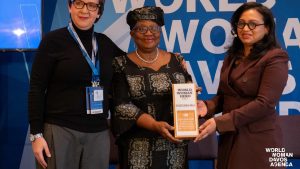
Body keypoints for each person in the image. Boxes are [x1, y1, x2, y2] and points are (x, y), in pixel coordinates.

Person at [28, 0, 125, 168]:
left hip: (98, 133)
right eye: (79, 3)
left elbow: (134, 64)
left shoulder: (105, 44)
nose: (85, 10)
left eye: (92, 5)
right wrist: (36, 135)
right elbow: (36, 89)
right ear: (70, 6)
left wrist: (173, 59)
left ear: (99, 12)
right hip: (60, 130)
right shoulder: (52, 41)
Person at [194, 2, 289, 169]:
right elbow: (224, 97)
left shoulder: (276, 57)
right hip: (230, 137)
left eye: (253, 24)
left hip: (259, 140)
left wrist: (219, 123)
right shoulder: (232, 57)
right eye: (241, 23)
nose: (245, 29)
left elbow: (265, 104)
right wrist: (206, 107)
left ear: (267, 28)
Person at [111, 6, 192, 169]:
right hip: (138, 147)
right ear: (132, 33)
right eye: (141, 28)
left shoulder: (177, 60)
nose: (149, 33)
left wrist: (192, 94)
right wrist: (155, 125)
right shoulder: (120, 64)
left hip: (174, 144)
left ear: (160, 31)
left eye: (154, 28)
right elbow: (121, 106)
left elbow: (187, 91)